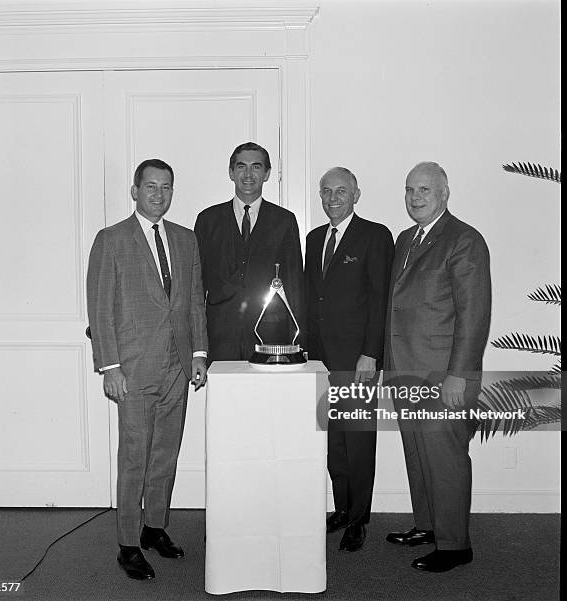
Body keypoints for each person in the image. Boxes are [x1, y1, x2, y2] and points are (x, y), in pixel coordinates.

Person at [86, 159, 208, 580]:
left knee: (166, 452)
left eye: (166, 187)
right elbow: (100, 310)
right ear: (135, 191)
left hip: (178, 365)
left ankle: (155, 527)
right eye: (151, 186)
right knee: (134, 456)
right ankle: (127, 544)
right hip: (133, 369)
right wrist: (110, 367)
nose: (159, 194)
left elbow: (194, 302)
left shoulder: (186, 239)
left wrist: (199, 353)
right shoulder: (111, 240)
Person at [384, 162, 491, 572]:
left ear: (445, 193)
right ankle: (428, 526)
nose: (416, 196)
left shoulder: (464, 240)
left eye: (425, 189)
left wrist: (459, 375)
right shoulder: (405, 238)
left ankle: (454, 546)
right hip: (404, 370)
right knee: (418, 454)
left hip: (443, 374)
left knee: (445, 459)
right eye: (410, 189)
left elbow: (473, 315)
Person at [305, 167, 394, 552]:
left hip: (358, 360)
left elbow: (379, 299)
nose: (333, 198)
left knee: (358, 442)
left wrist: (371, 353)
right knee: (334, 442)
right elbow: (313, 300)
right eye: (326, 191)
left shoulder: (375, 236)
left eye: (341, 191)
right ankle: (341, 509)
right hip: (321, 360)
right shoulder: (313, 239)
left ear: (357, 194)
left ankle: (358, 520)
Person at [194, 142, 304, 361]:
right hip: (219, 337)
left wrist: (298, 343)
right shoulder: (208, 220)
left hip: (271, 339)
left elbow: (294, 285)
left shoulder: (284, 221)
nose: (248, 174)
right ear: (231, 172)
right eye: (241, 166)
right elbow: (196, 287)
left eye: (256, 167)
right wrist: (198, 346)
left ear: (267, 173)